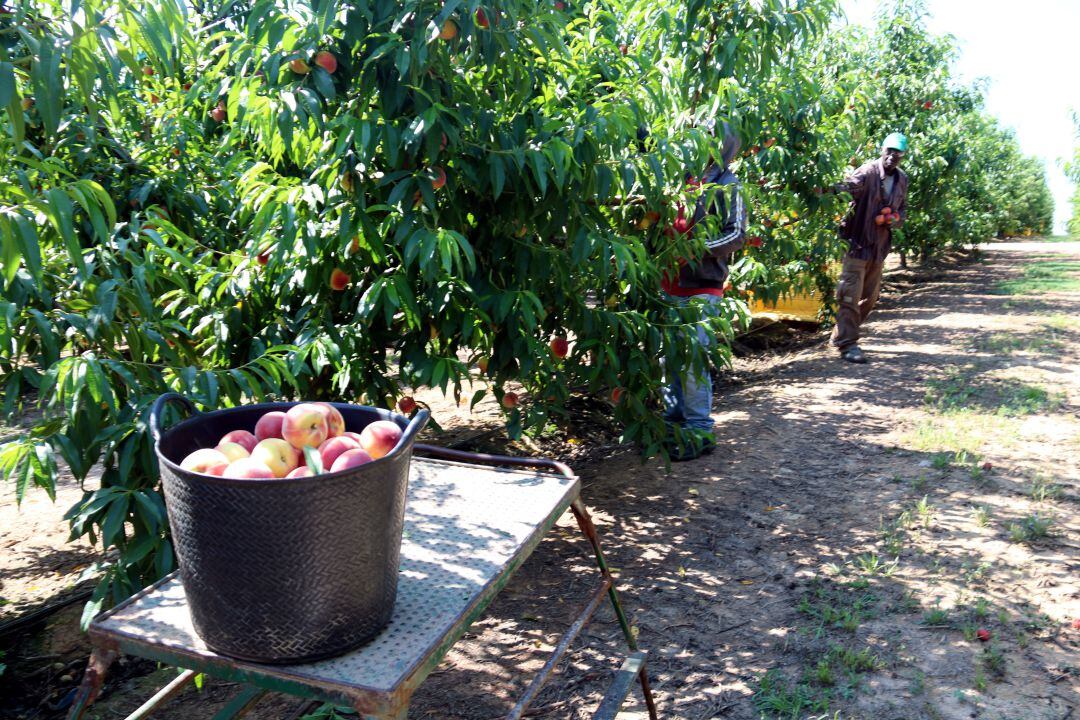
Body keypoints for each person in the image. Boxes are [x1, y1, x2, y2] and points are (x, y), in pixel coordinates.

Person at [660, 122, 747, 460]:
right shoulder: (681, 177)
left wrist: (695, 249)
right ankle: (671, 425)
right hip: (669, 281)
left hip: (703, 285)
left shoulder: (729, 185)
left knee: (694, 362)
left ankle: (699, 431)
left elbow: (737, 234)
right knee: (669, 359)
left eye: (710, 137)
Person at [828, 132, 909, 363]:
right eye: (890, 151)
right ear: (882, 150)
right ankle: (848, 344)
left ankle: (840, 335)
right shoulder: (868, 171)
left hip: (879, 247)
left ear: (903, 155)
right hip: (857, 243)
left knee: (870, 299)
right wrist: (821, 188)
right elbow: (846, 188)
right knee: (849, 295)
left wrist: (895, 219)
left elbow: (903, 210)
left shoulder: (902, 179)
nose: (893, 156)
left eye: (898, 153)